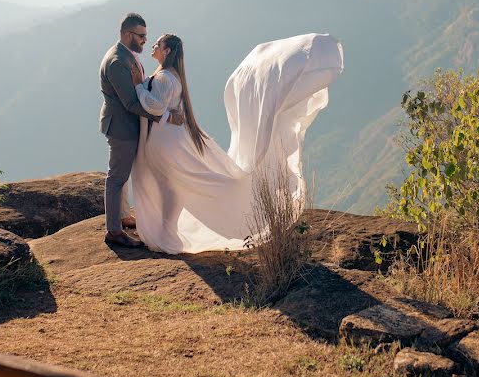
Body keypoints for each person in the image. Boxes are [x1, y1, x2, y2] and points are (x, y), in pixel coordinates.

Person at [130, 32, 343, 254]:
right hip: (167, 137)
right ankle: (167, 230)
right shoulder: (167, 74)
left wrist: (138, 86)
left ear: (167, 51)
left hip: (165, 139)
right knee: (170, 184)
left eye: (158, 43)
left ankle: (167, 232)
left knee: (170, 184)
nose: (153, 44)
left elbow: (155, 106)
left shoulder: (165, 77)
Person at [98, 13, 183, 248]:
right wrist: (167, 116)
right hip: (122, 127)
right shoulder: (117, 62)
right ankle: (114, 231)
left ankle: (123, 217)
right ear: (127, 35)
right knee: (117, 177)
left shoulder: (128, 56)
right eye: (142, 36)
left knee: (123, 176)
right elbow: (131, 103)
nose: (146, 40)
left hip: (130, 126)